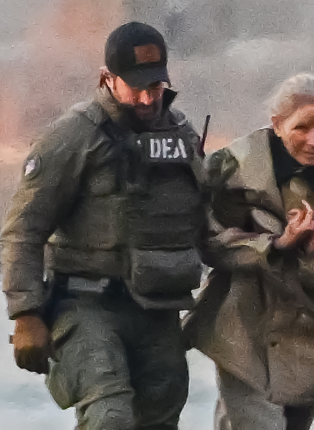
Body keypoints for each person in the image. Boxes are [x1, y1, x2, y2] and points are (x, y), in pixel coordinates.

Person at [1, 22, 205, 429]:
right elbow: (24, 228)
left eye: (156, 86)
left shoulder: (180, 133)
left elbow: (204, 216)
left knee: (161, 417)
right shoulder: (73, 137)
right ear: (107, 79)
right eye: (136, 87)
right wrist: (25, 313)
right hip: (85, 304)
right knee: (109, 417)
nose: (148, 98)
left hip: (157, 306)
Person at [184, 73, 314, 430]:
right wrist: (275, 244)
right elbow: (207, 238)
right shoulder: (235, 166)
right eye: (302, 128)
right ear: (277, 124)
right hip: (246, 330)